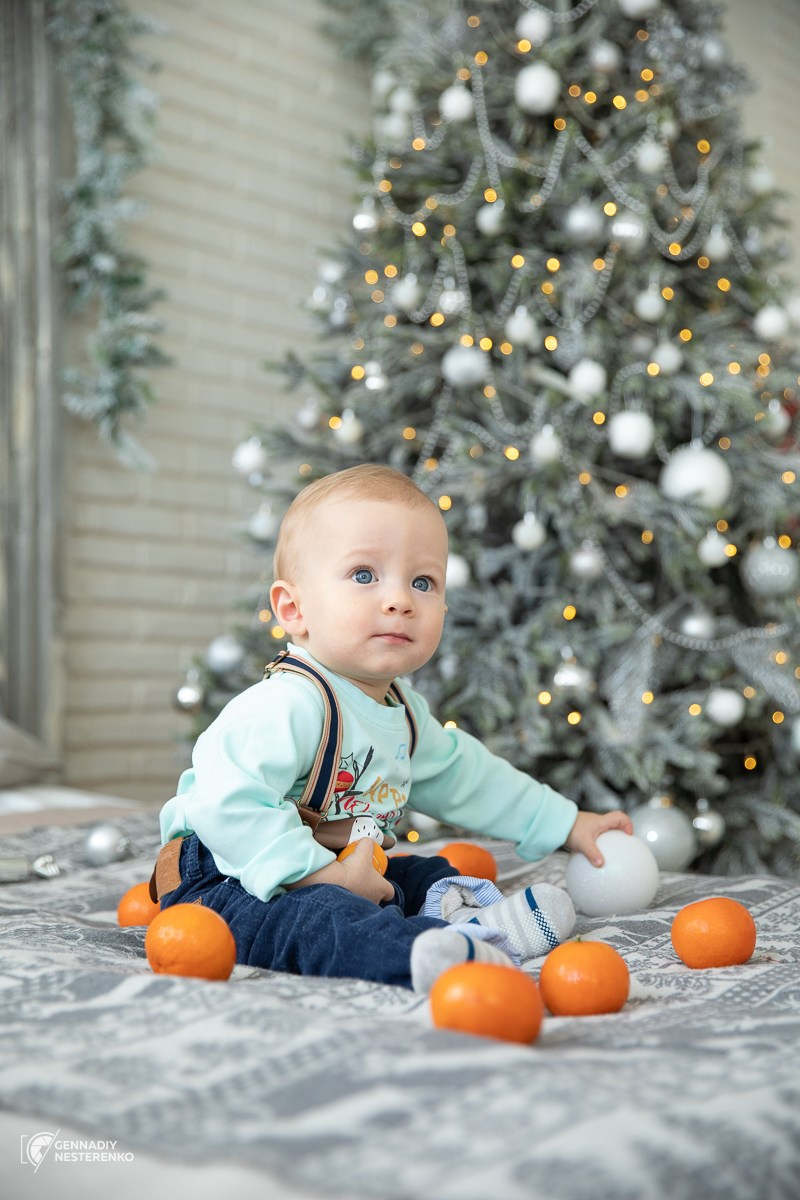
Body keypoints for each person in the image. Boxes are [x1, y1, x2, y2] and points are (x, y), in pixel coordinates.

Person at [153, 464, 632, 992]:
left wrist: (566, 822)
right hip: (227, 878)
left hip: (343, 865)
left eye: (423, 582)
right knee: (320, 922)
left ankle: (471, 922)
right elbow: (225, 803)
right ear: (294, 608)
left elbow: (465, 777)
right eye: (364, 575)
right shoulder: (289, 702)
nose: (400, 599)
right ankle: (426, 954)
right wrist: (317, 874)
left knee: (422, 871)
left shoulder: (402, 711)